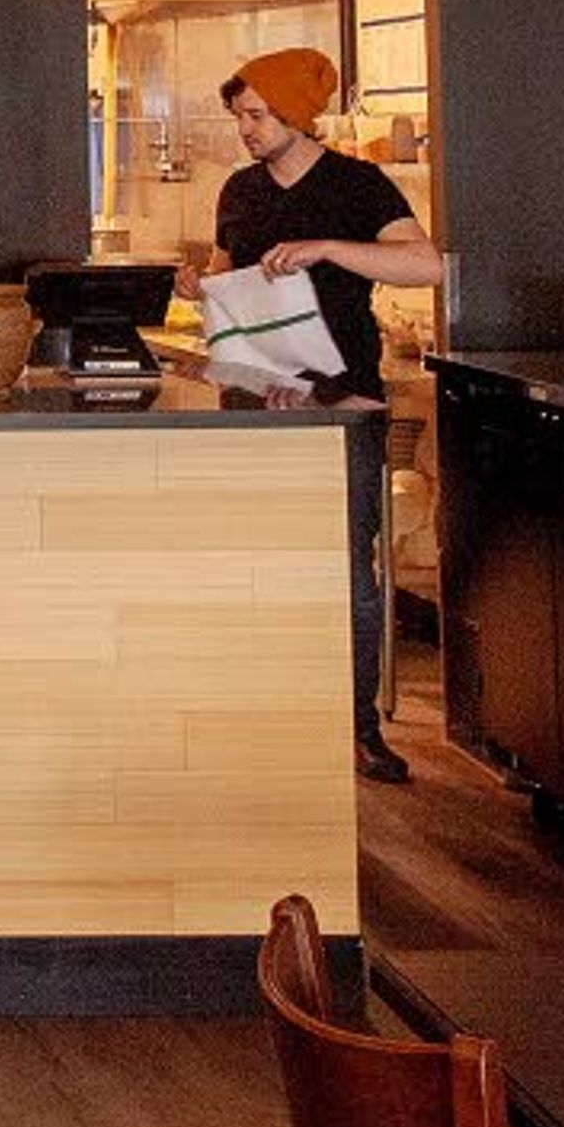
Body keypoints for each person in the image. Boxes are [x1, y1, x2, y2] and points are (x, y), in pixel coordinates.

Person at [193, 46, 437, 785]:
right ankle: (270, 716)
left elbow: (426, 264)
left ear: (298, 113)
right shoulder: (238, 190)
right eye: (239, 114)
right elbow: (221, 278)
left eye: (257, 114)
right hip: (257, 398)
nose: (245, 127)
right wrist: (196, 283)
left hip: (342, 403)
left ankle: (358, 722)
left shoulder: (358, 186)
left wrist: (329, 247)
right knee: (258, 563)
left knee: (347, 571)